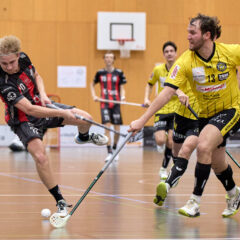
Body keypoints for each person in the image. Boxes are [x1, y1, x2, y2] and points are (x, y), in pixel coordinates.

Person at [129, 13, 240, 218]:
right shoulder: (185, 61)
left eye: (192, 32)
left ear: (207, 34)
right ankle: (234, 193)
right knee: (217, 162)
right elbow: (166, 92)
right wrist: (142, 120)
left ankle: (194, 202)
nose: (187, 36)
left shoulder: (230, 52)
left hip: (230, 110)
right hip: (205, 116)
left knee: (203, 146)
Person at [0, 35, 109, 216]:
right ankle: (60, 201)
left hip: (41, 104)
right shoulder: (3, 82)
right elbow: (29, 110)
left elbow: (37, 76)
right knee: (41, 157)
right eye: (4, 64)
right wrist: (62, 113)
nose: (9, 67)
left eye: (11, 62)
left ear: (18, 55)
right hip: (23, 120)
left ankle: (83, 137)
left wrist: (42, 93)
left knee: (86, 118)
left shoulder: (24, 58)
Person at [144, 41, 178, 180]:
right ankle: (161, 146)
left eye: (171, 51)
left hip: (177, 110)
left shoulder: (180, 69)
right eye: (166, 51)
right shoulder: (158, 70)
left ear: (175, 53)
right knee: (160, 140)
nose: (169, 53)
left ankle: (164, 167)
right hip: (161, 108)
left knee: (171, 141)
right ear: (164, 54)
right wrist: (146, 98)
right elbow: (149, 84)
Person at [91, 51, 127, 162]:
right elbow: (91, 84)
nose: (108, 59)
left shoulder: (119, 73)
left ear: (113, 59)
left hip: (116, 103)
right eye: (106, 57)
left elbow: (122, 87)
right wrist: (94, 95)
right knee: (107, 127)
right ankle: (110, 152)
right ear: (104, 59)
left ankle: (115, 149)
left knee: (117, 129)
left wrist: (123, 96)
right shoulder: (100, 73)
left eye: (111, 57)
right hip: (104, 103)